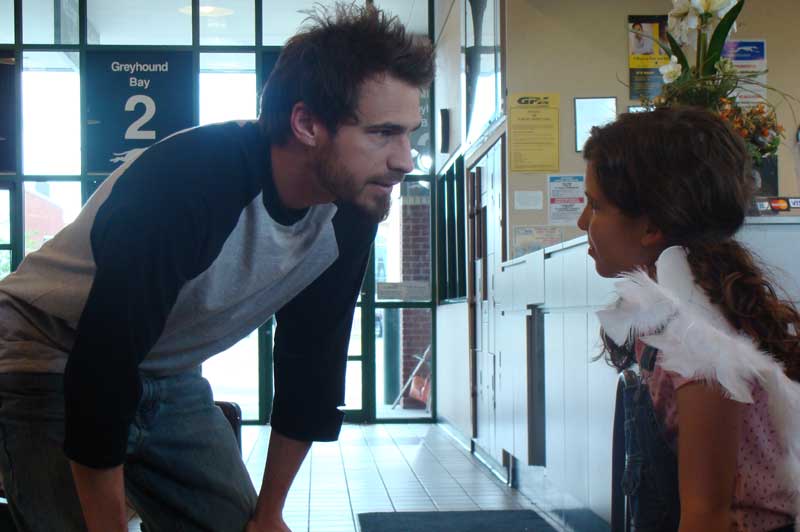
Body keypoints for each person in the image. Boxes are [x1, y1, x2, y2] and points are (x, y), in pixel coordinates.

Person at [0, 4, 434, 532]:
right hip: (44, 350)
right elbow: (103, 368)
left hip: (163, 369)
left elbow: (312, 363)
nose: (406, 159)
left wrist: (269, 514)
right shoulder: (192, 181)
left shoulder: (352, 206)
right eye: (383, 132)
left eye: (409, 133)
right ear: (306, 123)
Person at [577, 107, 799, 532]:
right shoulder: (661, 321)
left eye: (595, 205)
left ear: (652, 227)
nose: (583, 222)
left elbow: (706, 516)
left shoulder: (702, 347)